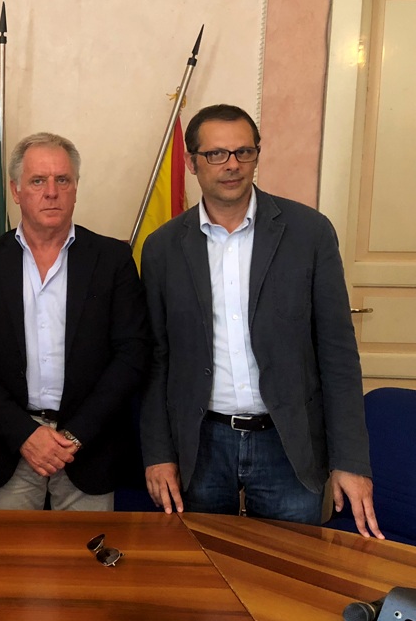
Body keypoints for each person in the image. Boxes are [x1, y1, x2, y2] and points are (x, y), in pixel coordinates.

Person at [140, 103, 383, 537]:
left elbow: (338, 356)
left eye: (244, 152)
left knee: (288, 569)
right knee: (206, 567)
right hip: (201, 445)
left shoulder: (309, 233)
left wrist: (350, 460)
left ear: (256, 155)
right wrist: (158, 454)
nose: (232, 165)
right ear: (192, 162)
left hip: (287, 444)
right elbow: (157, 360)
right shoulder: (162, 248)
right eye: (216, 154)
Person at [0, 132, 150, 510]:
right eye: (38, 181)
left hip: (89, 448)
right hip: (10, 446)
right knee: (10, 549)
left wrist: (75, 436)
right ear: (15, 191)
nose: (51, 192)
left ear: (76, 188)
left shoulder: (112, 259)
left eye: (63, 180)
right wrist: (24, 435)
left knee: (87, 550)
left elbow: (132, 355)